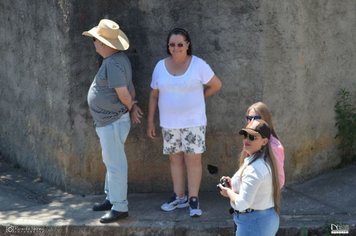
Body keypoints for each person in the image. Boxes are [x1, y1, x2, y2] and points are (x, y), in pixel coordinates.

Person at [147, 28, 222, 217]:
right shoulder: (159, 67)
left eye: (180, 44)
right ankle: (179, 196)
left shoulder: (198, 65)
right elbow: (154, 95)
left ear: (187, 44)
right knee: (175, 159)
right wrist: (150, 122)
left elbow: (216, 85)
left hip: (194, 122)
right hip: (169, 124)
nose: (176, 48)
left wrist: (200, 97)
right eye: (172, 44)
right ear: (168, 46)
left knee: (193, 159)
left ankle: (193, 199)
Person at [82, 19, 143, 223]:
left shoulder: (114, 63)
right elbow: (130, 86)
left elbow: (124, 93)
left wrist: (129, 106)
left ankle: (119, 207)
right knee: (111, 161)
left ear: (106, 44)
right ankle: (111, 198)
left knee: (115, 164)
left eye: (97, 40)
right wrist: (131, 106)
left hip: (112, 121)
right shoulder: (118, 60)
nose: (94, 44)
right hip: (111, 121)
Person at [218, 119, 281, 236]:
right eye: (245, 135)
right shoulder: (259, 161)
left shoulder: (255, 168)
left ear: (264, 141)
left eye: (252, 137)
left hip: (254, 224)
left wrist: (228, 192)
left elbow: (242, 204)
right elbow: (254, 190)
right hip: (259, 221)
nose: (246, 139)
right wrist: (233, 184)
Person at [245, 102, 285, 188]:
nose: (251, 122)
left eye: (256, 118)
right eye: (249, 118)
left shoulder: (274, 147)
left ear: (266, 119)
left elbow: (279, 180)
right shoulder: (250, 140)